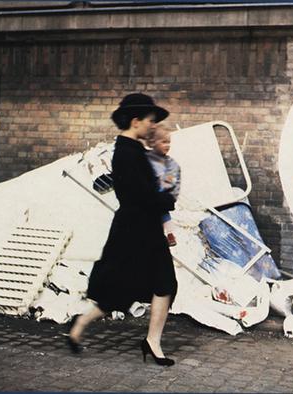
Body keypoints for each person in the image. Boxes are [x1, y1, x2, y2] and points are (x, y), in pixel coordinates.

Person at [67, 93, 178, 367]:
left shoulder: (133, 151)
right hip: (137, 230)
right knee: (138, 288)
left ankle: (148, 341)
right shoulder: (127, 154)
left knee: (148, 286)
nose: (153, 126)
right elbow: (142, 195)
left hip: (138, 228)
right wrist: (167, 199)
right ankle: (83, 325)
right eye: (150, 121)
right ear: (136, 121)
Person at [145, 128, 181, 247]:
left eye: (168, 142)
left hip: (160, 195)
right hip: (150, 195)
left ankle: (169, 234)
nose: (167, 145)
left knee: (163, 213)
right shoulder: (148, 158)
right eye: (164, 142)